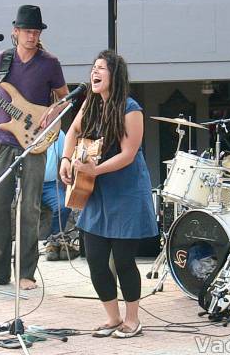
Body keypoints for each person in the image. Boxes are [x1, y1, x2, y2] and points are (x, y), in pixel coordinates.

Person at [0, 4, 69, 290]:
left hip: (34, 143)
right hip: (3, 141)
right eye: (27, 31)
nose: (32, 36)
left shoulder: (50, 63)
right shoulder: (1, 60)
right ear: (15, 32)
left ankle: (26, 273)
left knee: (29, 207)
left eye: (36, 31)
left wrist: (52, 113)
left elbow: (65, 100)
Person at [59, 50, 158, 339]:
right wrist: (66, 160)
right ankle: (113, 318)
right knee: (96, 259)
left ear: (115, 75)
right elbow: (72, 133)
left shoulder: (131, 108)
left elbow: (128, 155)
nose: (95, 72)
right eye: (94, 67)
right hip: (96, 191)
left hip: (126, 192)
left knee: (124, 261)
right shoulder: (90, 103)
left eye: (102, 68)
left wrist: (94, 170)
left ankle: (133, 320)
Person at [41, 130, 76, 261]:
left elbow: (66, 158)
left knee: (64, 205)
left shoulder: (58, 133)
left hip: (49, 184)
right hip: (28, 183)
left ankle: (56, 241)